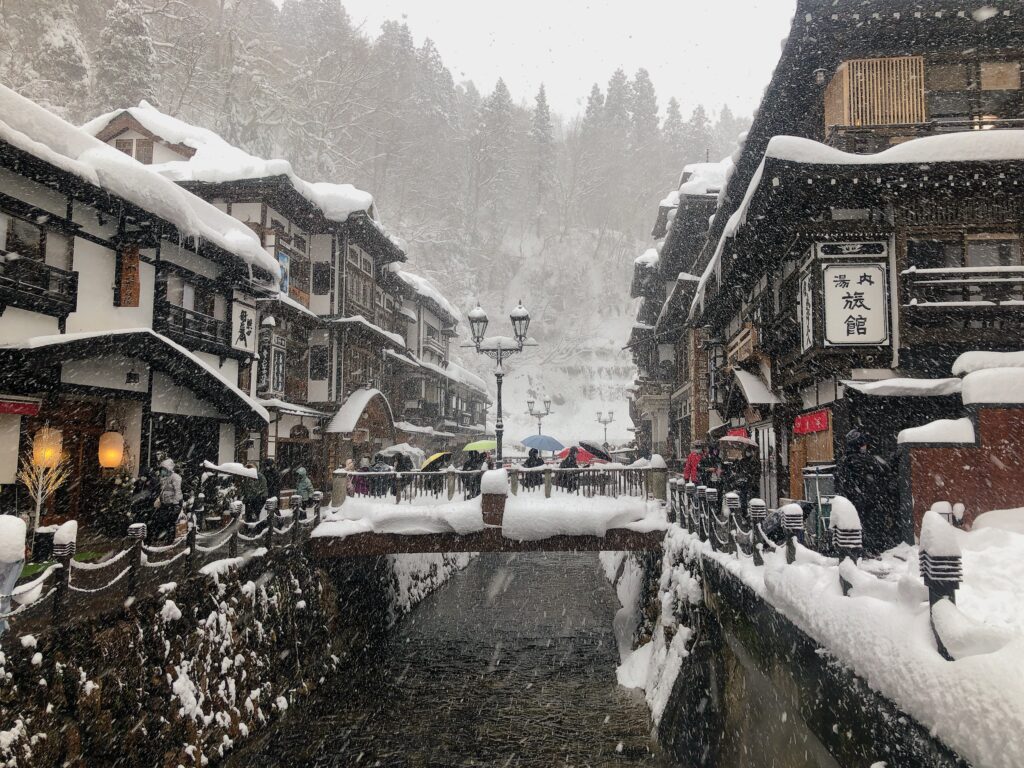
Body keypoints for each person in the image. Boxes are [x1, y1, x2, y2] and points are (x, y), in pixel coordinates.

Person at [835, 429, 900, 556]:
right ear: (858, 445)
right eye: (863, 444)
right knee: (872, 529)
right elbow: (885, 470)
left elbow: (841, 483)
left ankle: (860, 550)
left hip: (853, 504)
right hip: (869, 503)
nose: (865, 447)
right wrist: (895, 458)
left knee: (860, 529)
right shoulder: (865, 460)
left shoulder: (844, 461)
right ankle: (871, 551)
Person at [154, 458, 183, 542]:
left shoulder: (175, 477)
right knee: (162, 521)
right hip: (165, 503)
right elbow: (162, 491)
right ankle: (164, 537)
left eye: (164, 469)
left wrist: (176, 503)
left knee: (171, 522)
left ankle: (170, 539)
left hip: (172, 504)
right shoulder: (164, 478)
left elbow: (177, 491)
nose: (162, 471)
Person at [732, 447, 762, 513]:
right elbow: (737, 470)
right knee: (744, 499)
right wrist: (735, 462)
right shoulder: (742, 461)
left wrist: (753, 478)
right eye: (747, 451)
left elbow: (758, 472)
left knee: (753, 499)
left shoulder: (755, 462)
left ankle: (754, 513)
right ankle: (744, 513)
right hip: (745, 484)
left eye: (749, 451)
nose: (748, 453)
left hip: (752, 484)